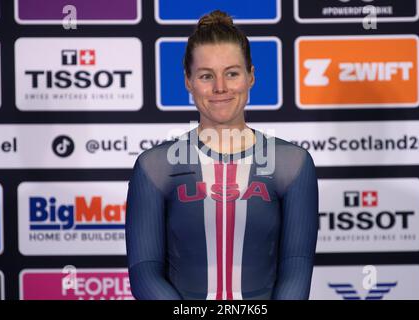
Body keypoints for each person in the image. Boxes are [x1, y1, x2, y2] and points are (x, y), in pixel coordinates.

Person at [125, 10, 318, 300]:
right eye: (206, 76)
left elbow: (296, 269)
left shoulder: (292, 164)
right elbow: (144, 272)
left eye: (232, 73)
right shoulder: (155, 166)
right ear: (188, 81)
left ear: (251, 77)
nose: (220, 88)